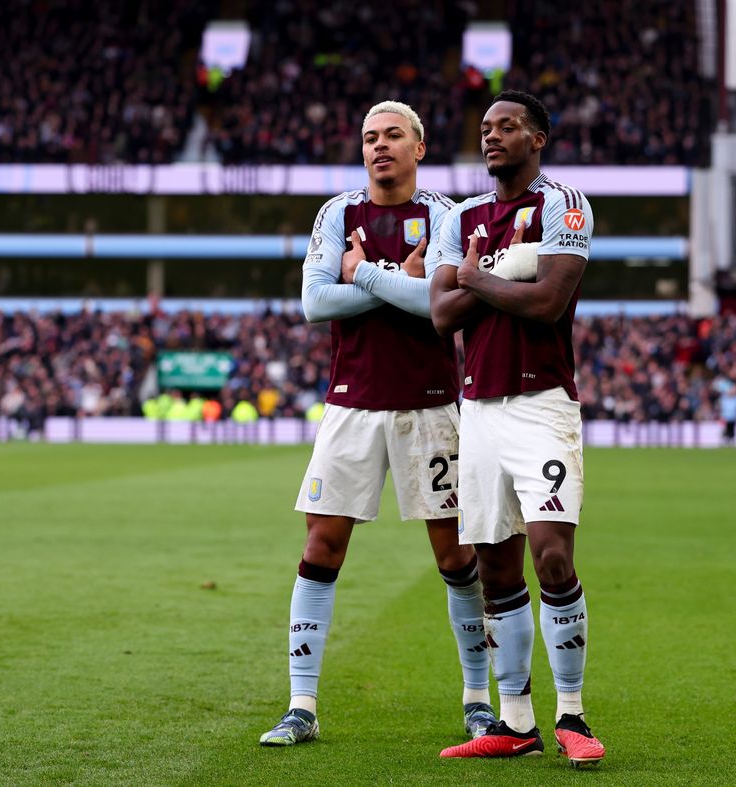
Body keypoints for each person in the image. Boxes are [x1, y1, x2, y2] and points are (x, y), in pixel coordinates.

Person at [259, 101, 494, 747]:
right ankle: (301, 705)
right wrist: (397, 281)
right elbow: (315, 302)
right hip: (351, 406)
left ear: (419, 147)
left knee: (456, 555)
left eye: (392, 135)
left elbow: (439, 302)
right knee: (320, 547)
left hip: (430, 407)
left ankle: (478, 700)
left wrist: (362, 273)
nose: (379, 146)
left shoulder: (446, 215)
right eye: (369, 138)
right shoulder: (337, 213)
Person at [430, 90, 605, 766]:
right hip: (478, 410)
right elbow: (441, 315)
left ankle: (573, 714)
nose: (492, 136)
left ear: (538, 138)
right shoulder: (461, 216)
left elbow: (549, 301)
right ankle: (516, 722)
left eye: (507, 126)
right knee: (496, 567)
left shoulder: (564, 204)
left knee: (551, 555)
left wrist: (475, 277)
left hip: (542, 405)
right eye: (485, 127)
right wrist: (504, 274)